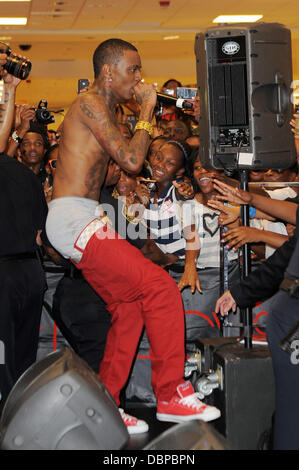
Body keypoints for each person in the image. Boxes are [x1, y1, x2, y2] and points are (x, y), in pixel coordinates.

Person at [46, 38, 220, 434]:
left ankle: (107, 401)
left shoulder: (102, 110)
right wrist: (144, 109)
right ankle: (171, 394)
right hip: (75, 217)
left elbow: (113, 167)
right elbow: (131, 160)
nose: (140, 78)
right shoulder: (90, 101)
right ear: (109, 71)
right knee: (159, 287)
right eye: (133, 70)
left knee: (130, 305)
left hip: (86, 214)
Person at [213, 179, 299, 449]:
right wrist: (240, 293)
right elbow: (285, 255)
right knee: (292, 411)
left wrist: (251, 204)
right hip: (293, 316)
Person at [0, 54, 47, 414]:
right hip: (32, 273)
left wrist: (10, 91)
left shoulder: (20, 174)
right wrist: (11, 89)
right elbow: (40, 233)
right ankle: (23, 411)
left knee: (4, 353)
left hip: (5, 274)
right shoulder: (28, 178)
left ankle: (8, 412)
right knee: (24, 352)